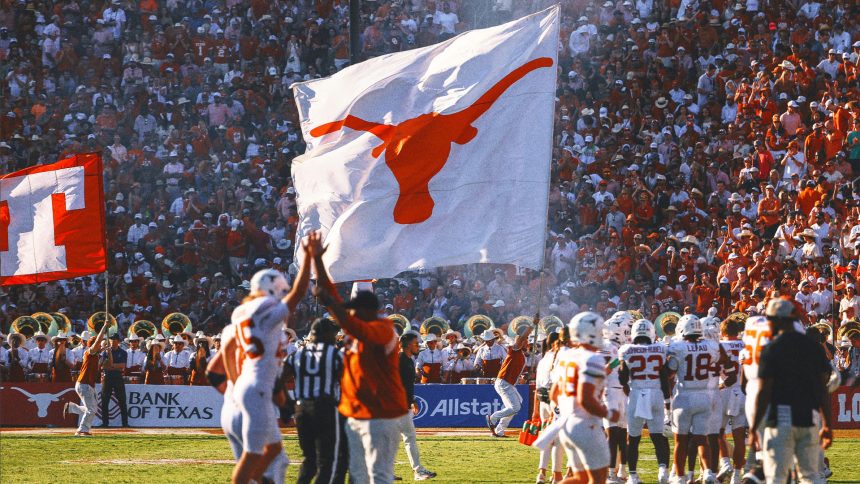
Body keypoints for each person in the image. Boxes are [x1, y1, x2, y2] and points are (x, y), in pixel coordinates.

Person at [313, 249, 408, 484]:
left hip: (379, 409)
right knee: (357, 471)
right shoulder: (361, 332)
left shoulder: (382, 330)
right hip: (358, 410)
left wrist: (326, 286)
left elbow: (337, 309)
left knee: (377, 472)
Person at [228, 231, 315, 484]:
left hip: (255, 383)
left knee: (275, 451)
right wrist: (308, 258)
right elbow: (297, 295)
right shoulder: (264, 310)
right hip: (257, 387)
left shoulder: (242, 312)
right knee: (252, 456)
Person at [749, 299, 834, 483]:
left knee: (777, 476)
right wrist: (827, 424)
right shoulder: (813, 347)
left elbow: (764, 392)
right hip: (808, 417)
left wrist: (754, 427)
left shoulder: (771, 348)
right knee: (811, 476)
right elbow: (822, 388)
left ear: (776, 319)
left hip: (781, 417)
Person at [551, 312, 618, 484]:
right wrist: (609, 414)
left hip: (568, 424)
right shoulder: (592, 357)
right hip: (585, 426)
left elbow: (554, 393)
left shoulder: (566, 355)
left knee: (580, 478)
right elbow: (586, 399)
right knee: (597, 479)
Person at [663, 314, 730, 483]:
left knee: (681, 441)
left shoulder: (678, 346)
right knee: (702, 439)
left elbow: (669, 373)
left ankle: (679, 477)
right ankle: (708, 472)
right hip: (704, 396)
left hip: (684, 396)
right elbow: (725, 361)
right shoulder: (710, 346)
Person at [285, 317, 348, 484]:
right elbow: (348, 383)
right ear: (325, 334)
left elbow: (277, 382)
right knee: (328, 461)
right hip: (325, 408)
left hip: (301, 410)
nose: (335, 337)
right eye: (333, 334)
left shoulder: (297, 354)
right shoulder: (334, 355)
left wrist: (290, 406)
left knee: (309, 460)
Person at [618, 319, 671, 484]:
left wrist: (628, 390)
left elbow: (622, 377)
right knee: (658, 436)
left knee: (633, 438)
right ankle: (663, 470)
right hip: (655, 393)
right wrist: (667, 399)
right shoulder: (661, 349)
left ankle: (633, 476)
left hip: (637, 394)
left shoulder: (627, 350)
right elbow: (664, 377)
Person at [398, 332, 437, 480]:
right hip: (398, 405)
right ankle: (418, 471)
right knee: (408, 437)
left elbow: (407, 384)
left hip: (403, 404)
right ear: (408, 345)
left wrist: (412, 399)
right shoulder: (400, 359)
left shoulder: (408, 359)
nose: (418, 346)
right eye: (416, 344)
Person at [487, 316, 534, 437]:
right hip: (504, 383)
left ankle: (499, 430)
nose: (527, 342)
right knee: (515, 408)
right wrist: (532, 325)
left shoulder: (522, 354)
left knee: (517, 404)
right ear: (520, 341)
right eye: (525, 340)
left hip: (508, 383)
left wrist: (528, 375)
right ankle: (492, 418)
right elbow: (522, 337)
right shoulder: (514, 350)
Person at [64, 320, 109, 436]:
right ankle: (82, 429)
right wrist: (104, 328)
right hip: (84, 384)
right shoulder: (90, 352)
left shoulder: (93, 354)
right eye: (99, 345)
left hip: (86, 384)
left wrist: (104, 350)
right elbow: (97, 342)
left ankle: (72, 408)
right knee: (92, 409)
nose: (100, 346)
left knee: (92, 408)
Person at [532, 330, 564, 484]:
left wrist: (535, 411)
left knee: (546, 438)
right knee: (558, 440)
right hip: (555, 399)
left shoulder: (543, 358)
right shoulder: (560, 356)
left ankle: (541, 473)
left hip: (542, 399)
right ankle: (556, 475)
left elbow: (537, 386)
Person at [100, 332, 129, 427]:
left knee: (122, 400)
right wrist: (114, 366)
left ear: (118, 341)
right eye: (111, 340)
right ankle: (105, 423)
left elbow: (122, 366)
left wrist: (112, 365)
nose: (112, 342)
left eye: (114, 340)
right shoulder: (105, 352)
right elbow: (104, 366)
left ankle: (125, 423)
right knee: (105, 400)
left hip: (118, 377)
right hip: (107, 376)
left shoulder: (123, 352)